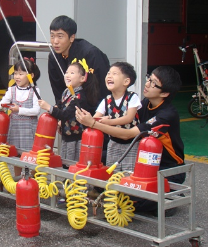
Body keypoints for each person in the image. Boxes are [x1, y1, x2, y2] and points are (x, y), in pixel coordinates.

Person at [76, 66, 185, 212]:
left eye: (153, 83)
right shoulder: (144, 103)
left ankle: (169, 197)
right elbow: (122, 120)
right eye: (149, 78)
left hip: (167, 167)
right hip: (141, 158)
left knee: (135, 202)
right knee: (100, 162)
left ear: (164, 93)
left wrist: (94, 124)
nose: (147, 84)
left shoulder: (167, 115)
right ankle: (109, 192)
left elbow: (128, 134)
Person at [0, 57, 41, 176]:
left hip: (29, 129)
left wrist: (19, 109)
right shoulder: (11, 90)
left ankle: (30, 178)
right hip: (15, 128)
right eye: (15, 73)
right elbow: (3, 103)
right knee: (16, 155)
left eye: (21, 74)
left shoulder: (35, 91)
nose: (17, 77)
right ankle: (17, 179)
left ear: (31, 75)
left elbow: (36, 110)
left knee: (29, 156)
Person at [38, 58, 99, 162]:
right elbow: (61, 107)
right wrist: (57, 114)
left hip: (77, 137)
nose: (67, 75)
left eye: (72, 73)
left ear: (82, 78)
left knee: (73, 164)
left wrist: (49, 107)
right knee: (64, 162)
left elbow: (66, 114)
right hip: (67, 135)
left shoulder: (79, 96)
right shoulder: (66, 91)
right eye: (66, 72)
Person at [48, 15, 110, 112]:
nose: (55, 41)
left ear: (72, 37)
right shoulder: (53, 57)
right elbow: (58, 89)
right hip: (71, 111)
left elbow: (103, 87)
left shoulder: (90, 53)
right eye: (52, 36)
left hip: (95, 109)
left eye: (60, 36)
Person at [93, 62, 141, 172]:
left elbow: (128, 118)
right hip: (113, 142)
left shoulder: (132, 97)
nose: (109, 76)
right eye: (108, 73)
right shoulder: (106, 100)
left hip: (131, 143)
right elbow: (96, 118)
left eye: (115, 73)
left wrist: (107, 122)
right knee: (112, 172)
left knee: (128, 173)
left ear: (126, 81)